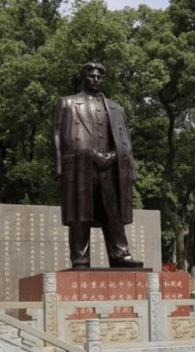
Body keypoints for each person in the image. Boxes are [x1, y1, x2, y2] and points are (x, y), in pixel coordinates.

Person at [52, 62, 143, 268]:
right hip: (79, 165)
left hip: (110, 168)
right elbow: (57, 135)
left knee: (113, 212)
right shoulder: (67, 103)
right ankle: (80, 257)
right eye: (91, 76)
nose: (95, 79)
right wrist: (58, 167)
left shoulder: (116, 109)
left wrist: (116, 158)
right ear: (83, 77)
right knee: (80, 213)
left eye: (99, 77)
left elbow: (125, 141)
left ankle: (120, 254)